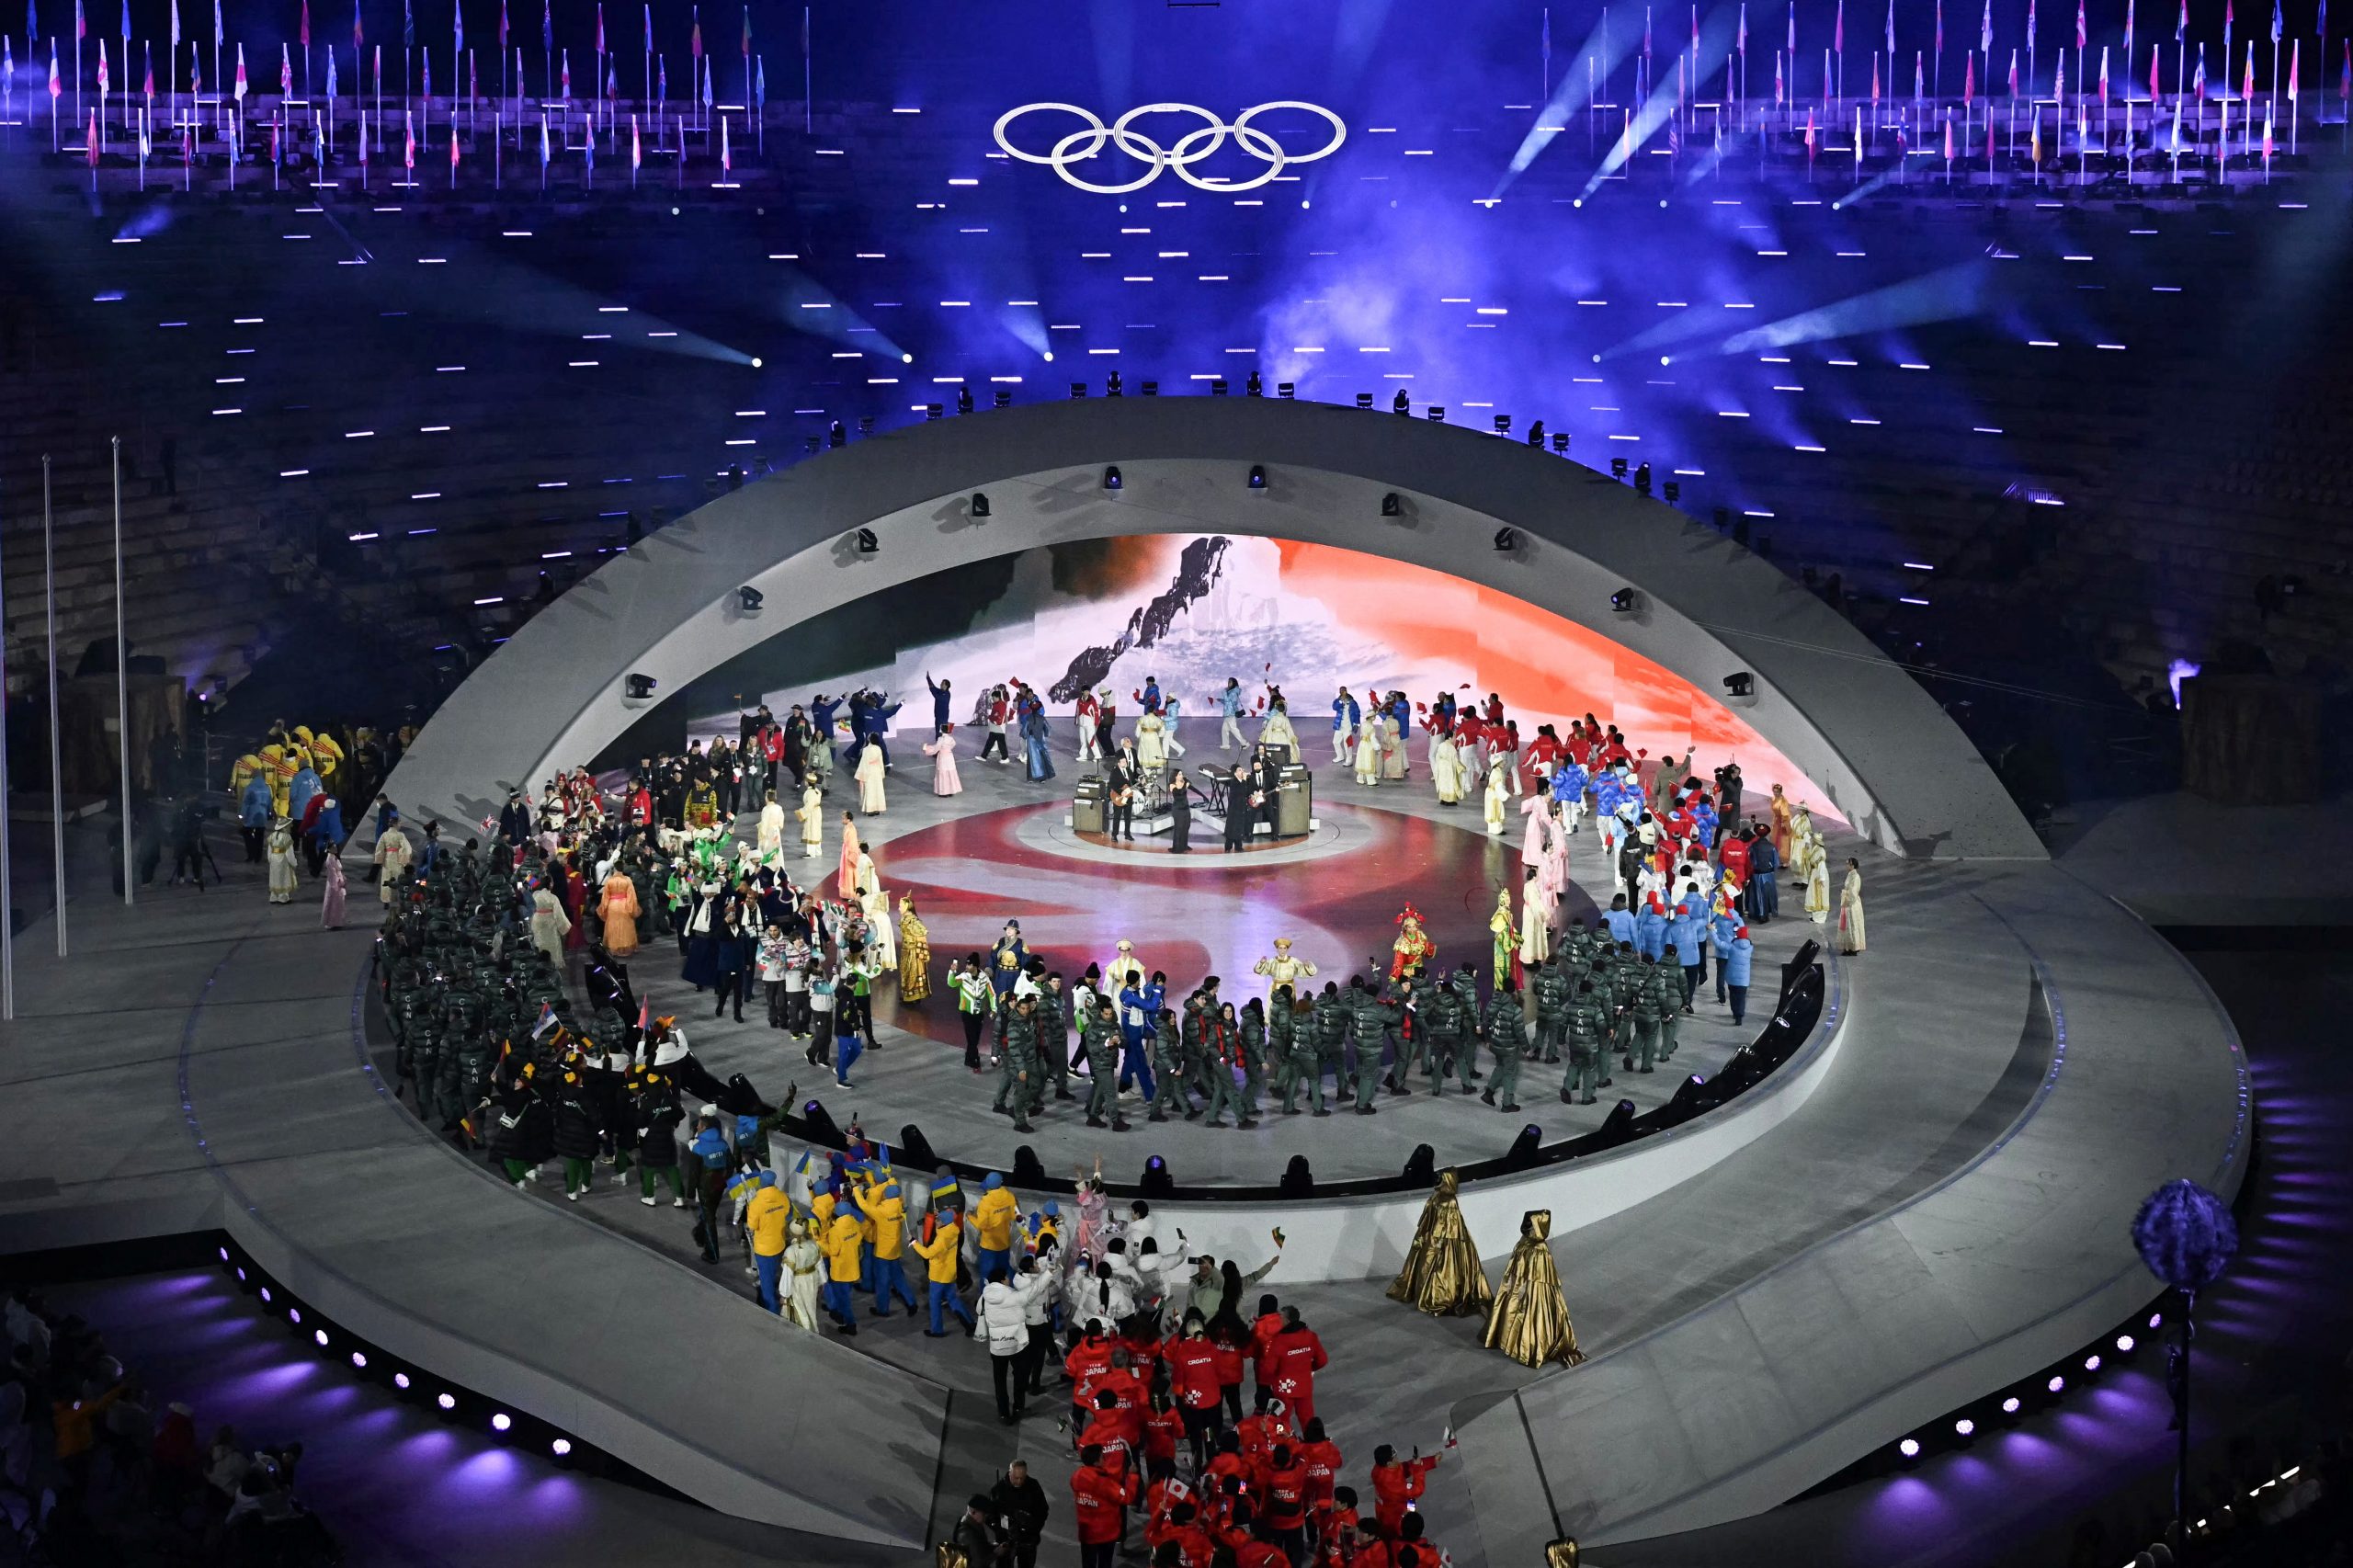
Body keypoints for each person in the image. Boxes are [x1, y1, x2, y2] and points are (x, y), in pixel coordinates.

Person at [975, 1270, 1032, 1424]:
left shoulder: (985, 1296)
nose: (1009, 1279)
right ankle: (1019, 1406)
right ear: (1002, 1280)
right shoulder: (1013, 1294)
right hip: (1015, 1344)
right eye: (1007, 1277)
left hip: (997, 1346)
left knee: (999, 1381)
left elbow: (978, 1311)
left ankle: (1003, 1413)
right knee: (1020, 1375)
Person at [1070, 1446, 1139, 1568]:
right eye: (1102, 1457)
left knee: (1087, 1563)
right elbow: (1127, 1497)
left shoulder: (1077, 1475)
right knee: (1105, 1563)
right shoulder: (1105, 1483)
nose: (1105, 1459)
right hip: (1106, 1533)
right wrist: (1132, 1477)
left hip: (1087, 1532)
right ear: (1096, 1462)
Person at [914, 1209, 976, 1336]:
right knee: (953, 1299)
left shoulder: (941, 1240)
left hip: (938, 1276)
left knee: (934, 1303)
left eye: (939, 1220)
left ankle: (937, 1330)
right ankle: (969, 1323)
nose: (936, 1221)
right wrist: (940, 1215)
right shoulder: (953, 1229)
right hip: (950, 1273)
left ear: (944, 1223)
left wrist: (913, 1242)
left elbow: (927, 1254)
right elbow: (946, 1221)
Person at [989, 1459, 1051, 1568]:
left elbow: (1042, 1512)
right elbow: (990, 1516)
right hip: (1006, 1541)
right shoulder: (999, 1490)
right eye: (1016, 1478)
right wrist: (1001, 1531)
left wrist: (1031, 1527)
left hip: (1028, 1541)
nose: (1019, 1481)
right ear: (1009, 1473)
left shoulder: (1033, 1486)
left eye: (1022, 1478)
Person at [597, 863, 642, 957]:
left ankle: (614, 947)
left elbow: (605, 897)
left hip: (612, 905)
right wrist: (632, 908)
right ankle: (625, 947)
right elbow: (632, 896)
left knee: (613, 927)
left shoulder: (609, 881)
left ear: (614, 869)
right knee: (625, 926)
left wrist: (603, 908)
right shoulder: (627, 880)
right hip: (625, 904)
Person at [923, 722, 964, 796]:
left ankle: (943, 792)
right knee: (950, 772)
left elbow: (936, 748)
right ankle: (951, 790)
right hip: (950, 757)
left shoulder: (941, 739)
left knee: (943, 773)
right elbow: (953, 744)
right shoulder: (951, 738)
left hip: (943, 757)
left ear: (942, 730)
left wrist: (927, 748)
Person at [265, 817, 299, 903]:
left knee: (274, 877)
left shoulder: (272, 835)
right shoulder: (286, 837)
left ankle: (274, 896)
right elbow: (289, 853)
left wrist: (270, 859)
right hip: (282, 858)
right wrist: (293, 863)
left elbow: (269, 849)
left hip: (274, 858)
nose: (290, 827)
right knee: (283, 877)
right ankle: (283, 897)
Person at [1837, 858, 1867, 953]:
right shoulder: (1851, 875)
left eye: (1848, 864)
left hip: (1852, 904)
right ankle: (1849, 946)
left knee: (1852, 925)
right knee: (1848, 925)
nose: (1846, 866)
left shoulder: (1856, 877)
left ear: (1852, 865)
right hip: (1848, 902)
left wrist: (1846, 898)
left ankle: (1853, 948)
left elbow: (1854, 892)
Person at [855, 736, 888, 815]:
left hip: (869, 771)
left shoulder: (866, 750)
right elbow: (880, 761)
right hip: (876, 771)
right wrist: (882, 773)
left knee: (870, 790)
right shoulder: (878, 749)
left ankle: (870, 810)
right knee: (877, 789)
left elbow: (864, 762)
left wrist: (861, 775)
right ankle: (877, 809)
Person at [1166, 768, 1193, 853]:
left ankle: (1184, 845)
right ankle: (1177, 847)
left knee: (1186, 826)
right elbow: (1179, 794)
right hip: (1178, 809)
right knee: (1179, 828)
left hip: (1186, 807)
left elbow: (1191, 785)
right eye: (1180, 774)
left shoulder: (1184, 782)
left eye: (1182, 774)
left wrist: (1186, 783)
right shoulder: (1172, 785)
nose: (1182, 776)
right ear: (1176, 776)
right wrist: (1185, 784)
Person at [319, 851, 347, 929]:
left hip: (336, 882)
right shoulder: (330, 859)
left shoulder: (333, 857)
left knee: (337, 904)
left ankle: (336, 922)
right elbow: (333, 874)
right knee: (334, 904)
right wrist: (340, 882)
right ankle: (333, 922)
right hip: (334, 884)